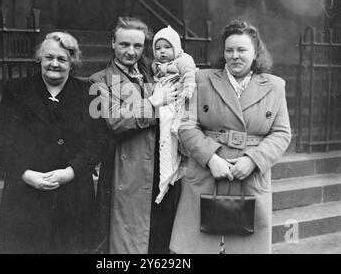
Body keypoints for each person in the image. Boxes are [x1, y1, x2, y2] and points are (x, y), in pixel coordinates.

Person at [169, 20, 292, 254]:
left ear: (256, 53)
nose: (234, 56)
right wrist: (211, 158)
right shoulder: (201, 79)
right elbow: (187, 126)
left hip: (249, 177)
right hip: (207, 175)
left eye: (242, 50)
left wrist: (253, 160)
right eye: (229, 50)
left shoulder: (275, 86)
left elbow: (282, 133)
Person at [0, 32, 100, 254]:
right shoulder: (17, 89)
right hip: (25, 193)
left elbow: (98, 141)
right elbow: (0, 138)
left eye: (62, 59)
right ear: (40, 58)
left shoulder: (88, 92)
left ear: (73, 62)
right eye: (49, 57)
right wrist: (24, 173)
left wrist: (70, 172)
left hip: (73, 193)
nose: (55, 64)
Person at [89, 17, 182, 254]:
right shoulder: (99, 80)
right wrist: (153, 102)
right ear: (112, 43)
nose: (131, 52)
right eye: (124, 44)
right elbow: (114, 120)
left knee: (159, 240)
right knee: (129, 243)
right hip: (128, 173)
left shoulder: (154, 73)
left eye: (138, 46)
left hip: (162, 169)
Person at [150, 25, 197, 204]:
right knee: (167, 138)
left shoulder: (183, 60)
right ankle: (168, 175)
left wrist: (188, 89)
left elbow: (189, 75)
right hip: (165, 101)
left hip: (181, 99)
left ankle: (176, 168)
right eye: (158, 48)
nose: (162, 51)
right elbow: (157, 72)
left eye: (167, 47)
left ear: (176, 48)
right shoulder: (157, 65)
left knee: (177, 133)